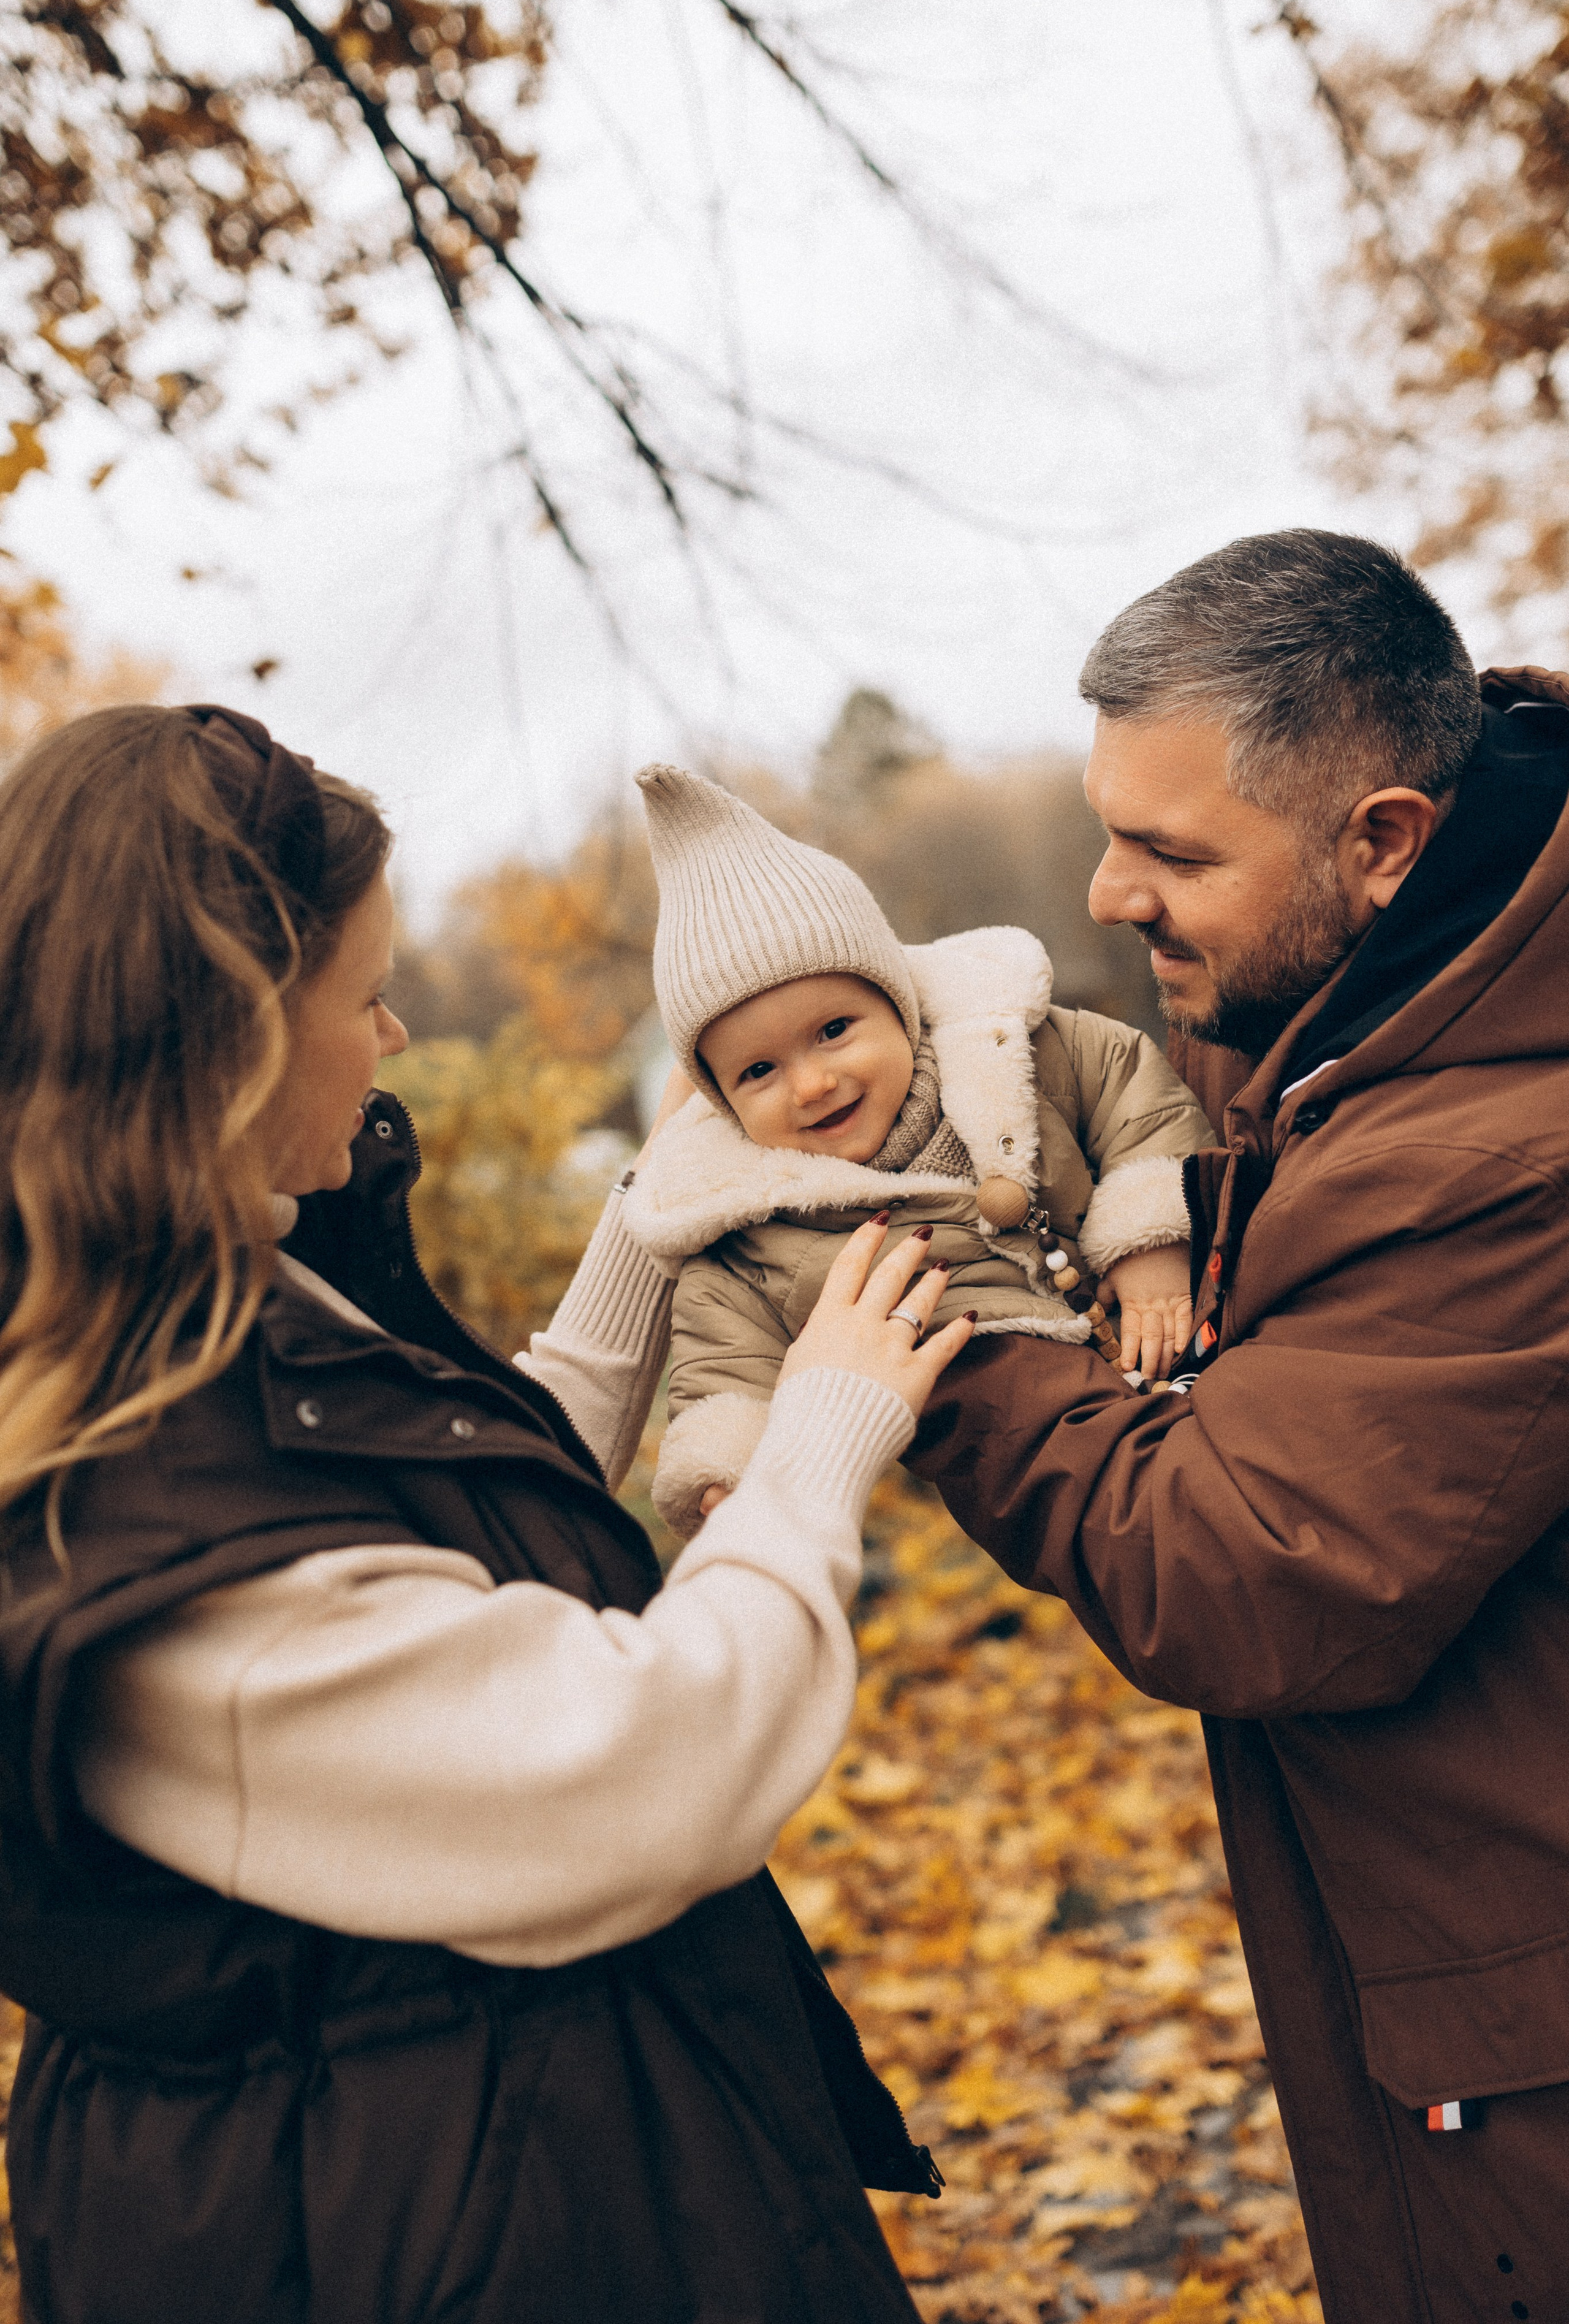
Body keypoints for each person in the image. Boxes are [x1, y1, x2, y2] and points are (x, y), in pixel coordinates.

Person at [0, 703, 977, 2324]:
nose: (392, 1044)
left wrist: (647, 1229)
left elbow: (459, 1507)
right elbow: (654, 1763)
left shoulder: (182, 1328)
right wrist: (822, 1430)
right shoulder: (137, 1541)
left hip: (508, 2178)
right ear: (238, 1029)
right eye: (369, 997)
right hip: (414, 2239)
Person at [904, 528, 1569, 2322]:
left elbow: (1241, 1568)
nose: (1107, 891)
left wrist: (938, 1326)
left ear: (1382, 842)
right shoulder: (1343, 1015)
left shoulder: (1509, 1154)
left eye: (1169, 851)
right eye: (1110, 825)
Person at [626, 765, 1214, 1537]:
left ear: (898, 1004)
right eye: (759, 1071)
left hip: (1174, 1330)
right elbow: (723, 1359)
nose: (811, 1083)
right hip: (1026, 1452)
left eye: (834, 1029)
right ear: (721, 1099)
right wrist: (731, 1473)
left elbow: (1133, 1091)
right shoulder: (746, 1227)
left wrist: (1149, 1241)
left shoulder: (1019, 1050)